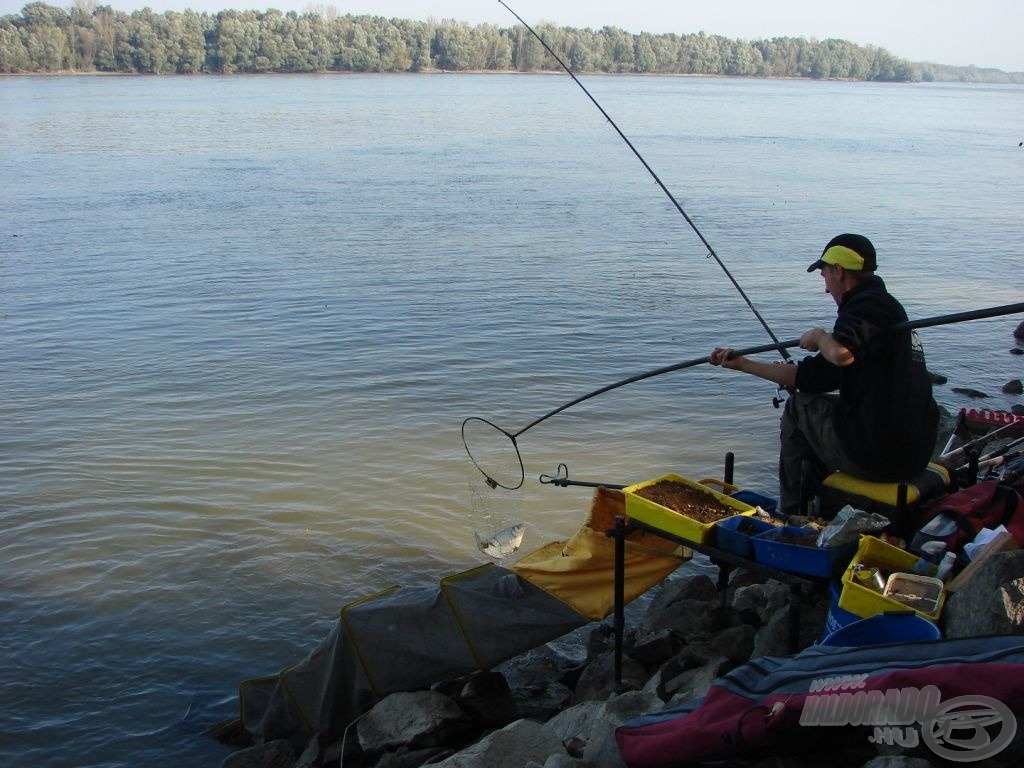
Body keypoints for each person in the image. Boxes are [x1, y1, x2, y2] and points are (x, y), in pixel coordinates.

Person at [709, 233, 938, 517]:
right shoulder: (885, 310)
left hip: (882, 459)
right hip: (914, 455)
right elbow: (813, 377)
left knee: (797, 407)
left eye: (824, 276)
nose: (827, 288)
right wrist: (743, 363)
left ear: (838, 271)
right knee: (814, 401)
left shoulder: (866, 306)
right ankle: (821, 503)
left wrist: (819, 337)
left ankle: (794, 514)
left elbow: (842, 354)